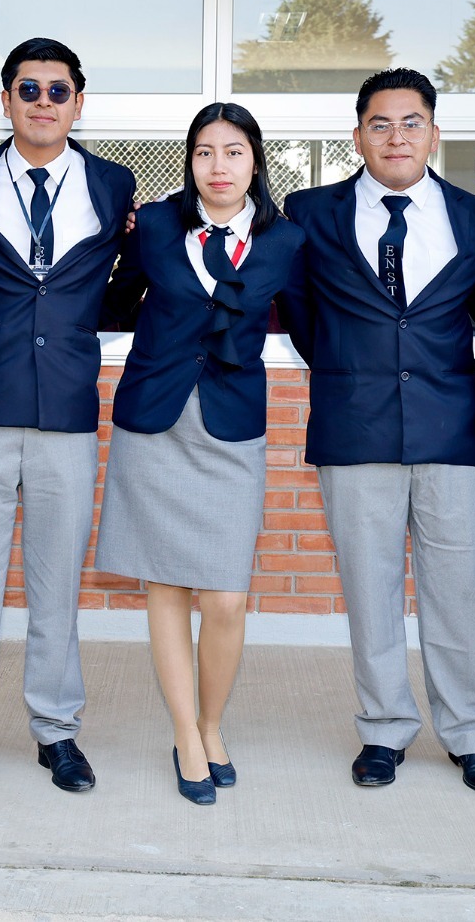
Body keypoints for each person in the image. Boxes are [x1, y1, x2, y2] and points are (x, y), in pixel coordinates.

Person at [277, 67, 475, 796]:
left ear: (434, 134)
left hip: (452, 433)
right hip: (355, 429)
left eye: (412, 123)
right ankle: (383, 730)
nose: (397, 136)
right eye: (381, 123)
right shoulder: (309, 211)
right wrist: (356, 371)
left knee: (459, 591)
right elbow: (305, 318)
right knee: (370, 588)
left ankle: (471, 735)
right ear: (358, 135)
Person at [0, 37, 137, 797]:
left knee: (55, 584)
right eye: (28, 89)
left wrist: (79, 330)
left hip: (68, 414)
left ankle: (57, 731)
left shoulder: (113, 185)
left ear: (79, 102)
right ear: (6, 100)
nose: (43, 102)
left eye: (57, 91)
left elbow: (123, 283)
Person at [96, 103, 303, 805]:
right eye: (205, 152)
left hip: (229, 429)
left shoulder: (285, 242)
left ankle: (212, 722)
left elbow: (312, 327)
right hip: (154, 423)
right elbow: (115, 301)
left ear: (255, 162)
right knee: (165, 587)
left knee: (225, 598)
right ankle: (188, 733)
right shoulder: (154, 226)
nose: (219, 166)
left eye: (234, 152)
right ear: (190, 161)